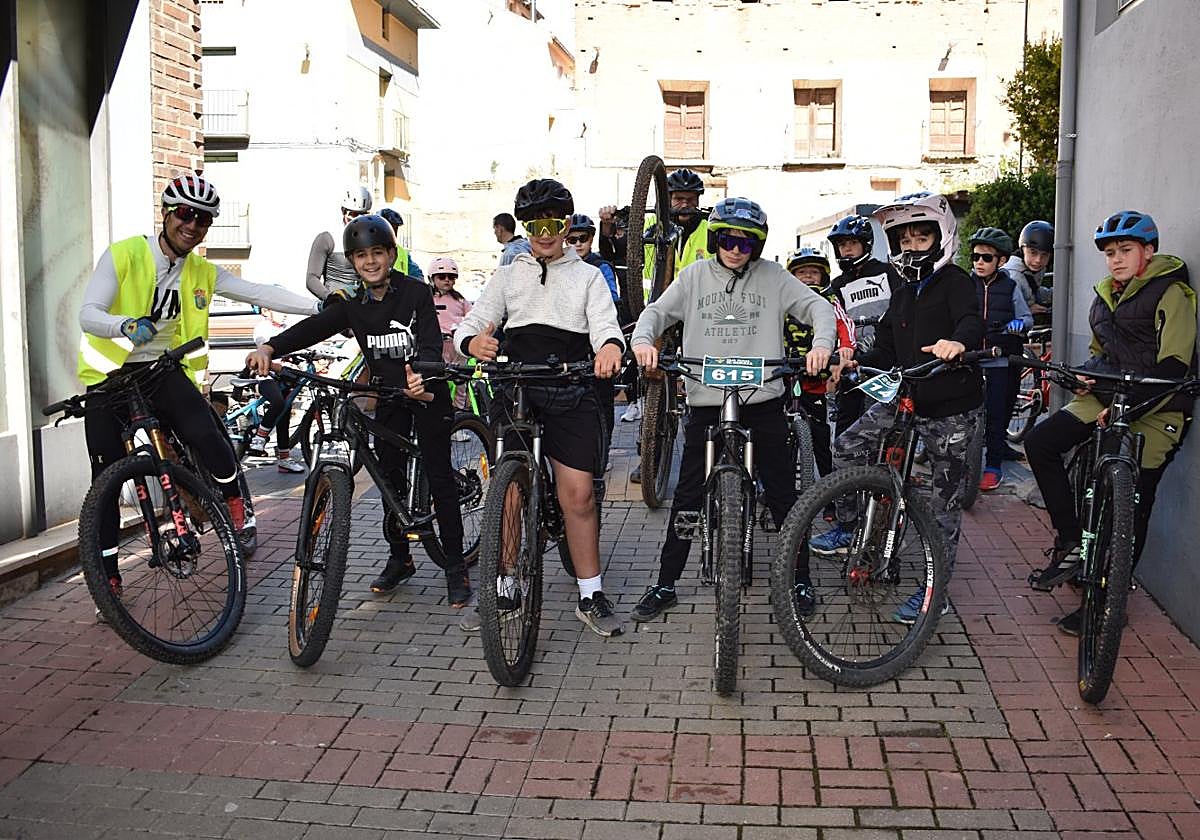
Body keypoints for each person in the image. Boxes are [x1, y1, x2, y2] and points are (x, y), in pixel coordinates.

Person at [78, 174, 319, 611]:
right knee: (105, 482)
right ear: (167, 214)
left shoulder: (201, 271)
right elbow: (88, 313)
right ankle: (109, 577)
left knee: (207, 434)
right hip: (109, 376)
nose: (192, 225)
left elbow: (261, 292)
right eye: (186, 214)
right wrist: (124, 326)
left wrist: (323, 306)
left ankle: (232, 500)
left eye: (203, 219)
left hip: (160, 371)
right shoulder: (125, 255)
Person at [247, 214, 471, 606]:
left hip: (426, 391)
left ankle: (455, 566)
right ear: (352, 262)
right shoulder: (353, 306)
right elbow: (313, 329)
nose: (370, 262)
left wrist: (421, 374)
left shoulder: (416, 293)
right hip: (388, 396)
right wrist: (270, 348)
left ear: (391, 254)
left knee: (439, 477)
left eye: (378, 253)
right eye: (361, 256)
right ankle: (400, 558)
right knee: (389, 480)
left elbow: (431, 343)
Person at [629, 198, 836, 622]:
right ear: (714, 238)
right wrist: (644, 343)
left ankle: (799, 579)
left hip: (763, 402)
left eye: (746, 242)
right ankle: (666, 582)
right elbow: (656, 312)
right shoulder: (693, 277)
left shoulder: (775, 278)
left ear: (757, 246)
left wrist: (821, 345)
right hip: (707, 402)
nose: (736, 249)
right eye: (727, 239)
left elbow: (817, 307)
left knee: (783, 496)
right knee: (687, 496)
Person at [455, 179, 626, 637]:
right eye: (534, 225)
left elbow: (607, 327)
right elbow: (473, 321)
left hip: (571, 389)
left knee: (579, 496)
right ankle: (506, 585)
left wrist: (609, 348)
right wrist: (472, 340)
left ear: (566, 224)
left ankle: (591, 594)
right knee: (508, 493)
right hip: (517, 390)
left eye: (552, 224)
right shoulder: (509, 275)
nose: (544, 234)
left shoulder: (588, 275)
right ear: (525, 228)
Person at [809, 192, 984, 624]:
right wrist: (854, 359)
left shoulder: (958, 282)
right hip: (906, 399)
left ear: (941, 239)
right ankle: (855, 524)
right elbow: (887, 345)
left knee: (943, 505)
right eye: (903, 240)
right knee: (847, 446)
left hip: (951, 408)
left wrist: (958, 342)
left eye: (920, 238)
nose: (911, 247)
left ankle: (935, 592)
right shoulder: (903, 292)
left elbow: (972, 321)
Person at [1025, 210, 1196, 636]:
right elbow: (1104, 353)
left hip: (1161, 404)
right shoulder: (1106, 294)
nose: (1115, 260)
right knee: (1041, 443)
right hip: (1109, 395)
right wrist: (1087, 374)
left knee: (1133, 501)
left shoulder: (1171, 292)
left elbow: (1174, 366)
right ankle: (1070, 541)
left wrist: (1127, 409)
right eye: (1109, 253)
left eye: (1125, 251)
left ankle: (1106, 603)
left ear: (1148, 251)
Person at [601, 168, 711, 479]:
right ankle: (649, 455)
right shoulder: (651, 226)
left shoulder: (710, 229)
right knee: (652, 378)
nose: (683, 206)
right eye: (677, 199)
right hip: (661, 314)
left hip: (700, 318)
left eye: (690, 200)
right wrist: (608, 226)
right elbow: (618, 249)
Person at [967, 227, 1032, 491]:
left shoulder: (1010, 286)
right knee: (963, 417)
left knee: (996, 416)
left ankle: (993, 466)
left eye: (987, 258)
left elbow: (1027, 318)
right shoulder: (964, 284)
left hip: (999, 360)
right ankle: (961, 467)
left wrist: (1018, 324)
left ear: (1001, 261)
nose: (979, 263)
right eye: (975, 257)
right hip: (969, 360)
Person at [827, 214, 903, 436]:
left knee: (883, 416)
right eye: (842, 245)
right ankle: (842, 465)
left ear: (865, 245)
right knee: (846, 415)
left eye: (852, 243)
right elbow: (836, 321)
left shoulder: (887, 271)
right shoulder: (838, 285)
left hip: (885, 355)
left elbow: (900, 307)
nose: (847, 249)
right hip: (853, 358)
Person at [783, 248, 856, 478]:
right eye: (801, 272)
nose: (807, 277)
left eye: (813, 272)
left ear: (823, 276)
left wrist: (846, 347)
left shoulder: (829, 299)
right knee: (772, 434)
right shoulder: (782, 301)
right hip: (783, 374)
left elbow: (845, 325)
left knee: (821, 438)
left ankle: (828, 493)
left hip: (816, 378)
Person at [568, 214, 621, 457]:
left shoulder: (601, 267)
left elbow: (610, 299)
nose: (578, 244)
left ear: (591, 239)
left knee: (602, 401)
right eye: (572, 239)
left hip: (597, 342)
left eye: (584, 238)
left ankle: (603, 452)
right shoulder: (559, 266)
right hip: (571, 343)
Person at [244, 309, 308, 473]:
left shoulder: (286, 327)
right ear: (266, 311)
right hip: (266, 375)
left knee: (284, 415)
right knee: (278, 402)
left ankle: (284, 459)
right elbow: (265, 348)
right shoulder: (262, 328)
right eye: (279, 311)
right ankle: (259, 438)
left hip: (283, 376)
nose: (284, 314)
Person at [306, 185, 373, 301]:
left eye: (364, 214)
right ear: (343, 211)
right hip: (334, 305)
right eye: (354, 214)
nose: (359, 219)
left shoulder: (372, 238)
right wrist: (330, 297)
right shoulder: (327, 238)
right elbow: (311, 278)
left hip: (362, 305)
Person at [1004, 220, 1053, 314]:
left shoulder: (1032, 269)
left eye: (1045, 255)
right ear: (1022, 249)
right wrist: (1027, 310)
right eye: (1033, 252)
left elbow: (1032, 291)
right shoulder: (1013, 277)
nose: (1038, 260)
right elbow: (1002, 308)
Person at [378, 208, 424, 280]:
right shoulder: (365, 249)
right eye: (389, 228)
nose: (393, 233)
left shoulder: (402, 252)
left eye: (395, 229)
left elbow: (417, 275)